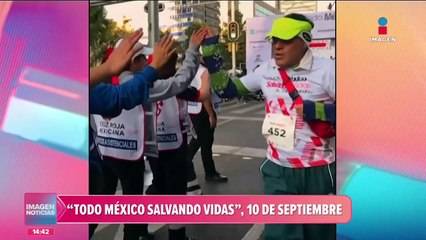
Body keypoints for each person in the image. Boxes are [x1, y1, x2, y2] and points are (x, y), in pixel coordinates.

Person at [200, 14, 336, 240]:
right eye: (274, 41)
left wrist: (319, 111)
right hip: (277, 170)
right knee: (280, 235)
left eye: (285, 41)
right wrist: (211, 51)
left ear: (304, 40)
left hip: (318, 171)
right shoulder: (267, 70)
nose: (277, 47)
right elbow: (226, 90)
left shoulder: (327, 70)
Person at [90, 28, 208, 240]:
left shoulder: (96, 83)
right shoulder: (142, 85)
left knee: (96, 207)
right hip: (131, 158)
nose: (146, 61)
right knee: (134, 210)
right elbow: (180, 82)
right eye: (143, 58)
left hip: (104, 155)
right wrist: (192, 50)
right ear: (131, 61)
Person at [186, 57, 228, 184]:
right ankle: (210, 173)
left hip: (193, 109)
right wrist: (211, 115)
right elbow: (205, 96)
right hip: (202, 110)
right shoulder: (204, 72)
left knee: (198, 139)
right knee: (206, 142)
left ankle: (184, 162)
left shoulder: (192, 70)